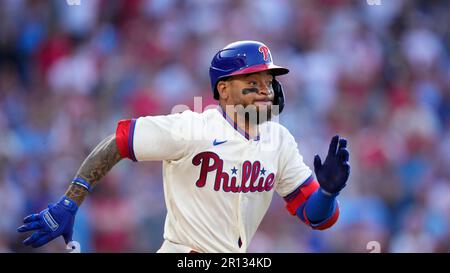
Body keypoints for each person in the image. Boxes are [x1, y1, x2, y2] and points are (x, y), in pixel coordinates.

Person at [17, 40, 350, 253]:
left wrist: (329, 193)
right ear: (224, 90)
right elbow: (117, 142)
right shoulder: (191, 128)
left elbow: (316, 217)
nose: (266, 89)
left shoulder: (280, 141)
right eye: (254, 81)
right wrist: (70, 201)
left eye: (269, 81)